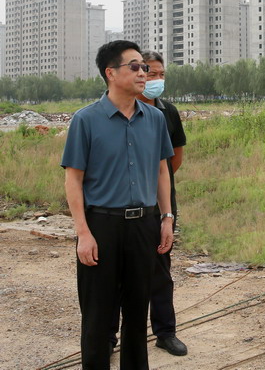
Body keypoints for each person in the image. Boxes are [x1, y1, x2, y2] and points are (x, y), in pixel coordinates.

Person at [62, 40, 174, 369]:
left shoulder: (154, 119)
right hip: (102, 225)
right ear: (111, 73)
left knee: (138, 313)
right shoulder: (86, 120)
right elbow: (73, 180)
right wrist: (83, 233)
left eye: (145, 67)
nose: (144, 73)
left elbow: (162, 170)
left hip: (143, 225)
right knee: (98, 315)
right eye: (135, 67)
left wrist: (166, 218)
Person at [109, 50, 188, 356]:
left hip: (159, 203)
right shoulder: (113, 111)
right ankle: (109, 335)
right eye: (149, 72)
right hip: (122, 204)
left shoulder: (167, 112)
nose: (153, 79)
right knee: (116, 271)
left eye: (160, 74)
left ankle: (165, 332)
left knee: (160, 267)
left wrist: (158, 187)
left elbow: (173, 158)